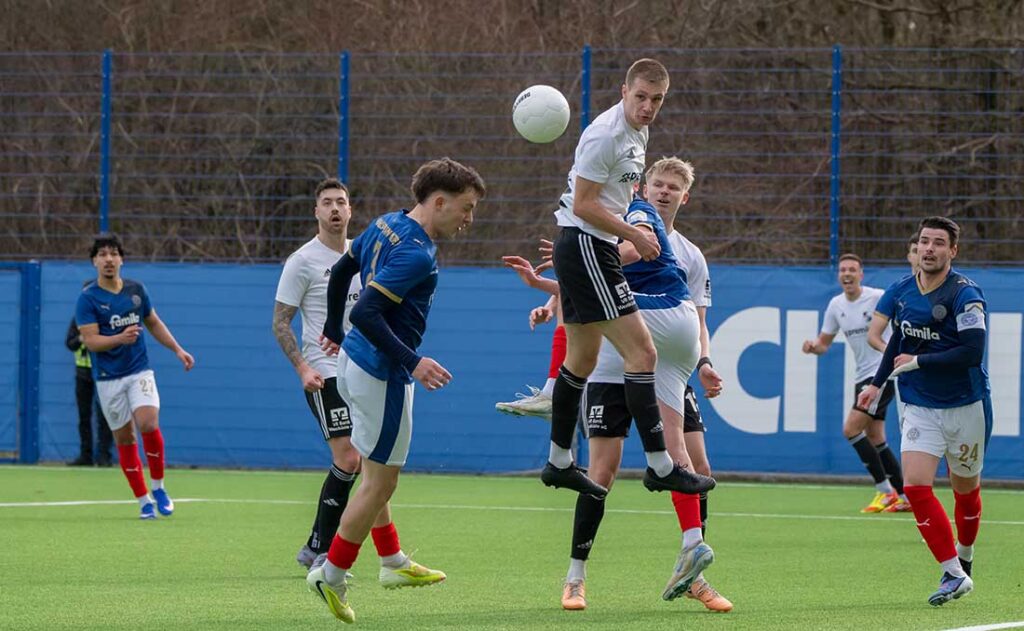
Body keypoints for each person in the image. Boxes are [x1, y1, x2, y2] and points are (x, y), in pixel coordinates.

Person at [505, 158, 725, 611]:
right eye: (657, 183)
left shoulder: (678, 247)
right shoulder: (619, 222)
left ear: (686, 197)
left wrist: (703, 361)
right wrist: (550, 298)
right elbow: (594, 287)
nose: (663, 191)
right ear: (644, 185)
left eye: (673, 187)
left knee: (696, 464)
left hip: (661, 347)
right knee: (604, 470)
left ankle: (694, 570)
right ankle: (575, 577)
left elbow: (691, 315)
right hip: (616, 360)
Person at [306, 158, 487, 623]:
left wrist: (331, 326)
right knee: (381, 480)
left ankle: (391, 562)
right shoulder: (417, 253)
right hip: (381, 373)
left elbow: (344, 269)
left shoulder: (387, 222)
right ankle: (331, 574)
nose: (469, 218)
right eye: (465, 208)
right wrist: (414, 361)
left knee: (374, 470)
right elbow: (366, 311)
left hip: (355, 362)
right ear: (439, 202)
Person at [544, 57, 714, 498]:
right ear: (624, 92)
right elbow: (582, 204)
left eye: (656, 100)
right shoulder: (606, 134)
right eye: (640, 97)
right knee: (642, 352)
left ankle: (559, 460)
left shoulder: (640, 132)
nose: (647, 106)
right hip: (587, 245)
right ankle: (660, 464)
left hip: (586, 246)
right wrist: (635, 235)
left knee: (581, 360)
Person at [857, 216, 990, 606]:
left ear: (953, 251)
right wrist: (877, 383)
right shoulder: (901, 291)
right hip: (918, 404)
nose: (929, 248)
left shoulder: (966, 294)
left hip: (965, 405)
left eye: (938, 243)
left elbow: (972, 352)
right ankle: (952, 572)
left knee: (965, 491)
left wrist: (918, 362)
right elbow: (899, 336)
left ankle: (965, 559)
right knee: (915, 488)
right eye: (925, 241)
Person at [273, 178, 363, 569]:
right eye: (327, 203)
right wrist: (302, 368)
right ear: (317, 212)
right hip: (324, 373)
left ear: (350, 210)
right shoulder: (302, 261)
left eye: (341, 202)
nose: (335, 209)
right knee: (348, 458)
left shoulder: (361, 255)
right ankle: (322, 550)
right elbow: (280, 322)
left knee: (365, 460)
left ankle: (315, 546)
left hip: (361, 369)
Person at [74, 233, 195, 519]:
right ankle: (143, 501)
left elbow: (153, 322)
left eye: (113, 253)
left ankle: (159, 487)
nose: (108, 259)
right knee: (125, 438)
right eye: (102, 254)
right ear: (94, 261)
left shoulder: (136, 290)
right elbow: (90, 342)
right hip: (107, 377)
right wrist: (119, 338)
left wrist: (177, 349)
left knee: (148, 421)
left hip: (139, 370)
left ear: (121, 259)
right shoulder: (87, 298)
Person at [802, 254, 910, 513]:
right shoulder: (835, 305)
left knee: (851, 429)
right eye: (843, 270)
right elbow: (824, 344)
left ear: (861, 274)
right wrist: (812, 347)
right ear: (839, 276)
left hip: (881, 375)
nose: (847, 274)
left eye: (852, 269)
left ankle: (885, 491)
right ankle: (905, 497)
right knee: (875, 436)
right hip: (862, 375)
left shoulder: (877, 297)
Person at [65, 311, 113, 466]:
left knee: (105, 416)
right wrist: (81, 338)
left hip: (102, 373)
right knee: (84, 416)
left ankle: (104, 456)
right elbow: (69, 343)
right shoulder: (78, 319)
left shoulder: (105, 319)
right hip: (82, 374)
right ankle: (85, 456)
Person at [868, 231, 920, 353]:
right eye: (915, 251)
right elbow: (872, 336)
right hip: (907, 369)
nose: (920, 255)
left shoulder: (951, 289)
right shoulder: (896, 290)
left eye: (922, 250)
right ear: (909, 257)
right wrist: (891, 354)